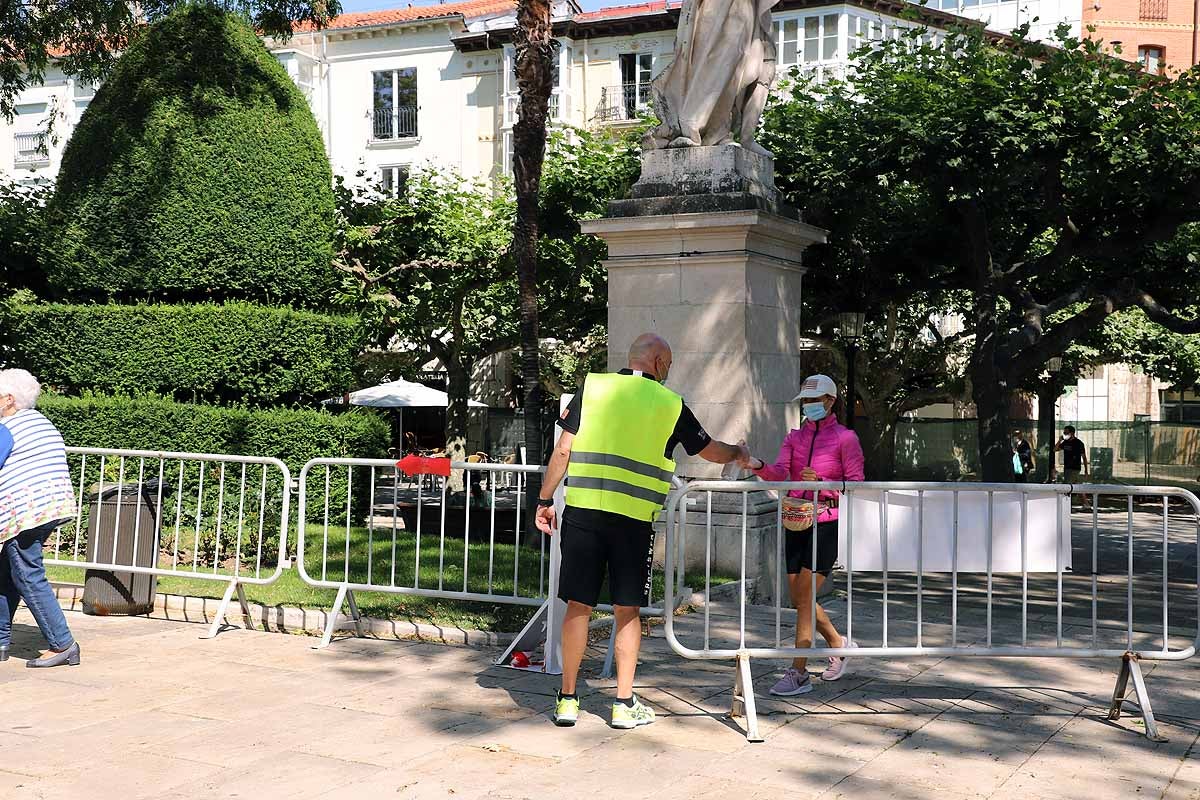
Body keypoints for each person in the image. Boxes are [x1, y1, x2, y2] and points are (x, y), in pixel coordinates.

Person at [535, 333, 748, 730]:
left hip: (583, 513)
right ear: (659, 361)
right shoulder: (670, 405)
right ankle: (623, 704)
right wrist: (738, 453)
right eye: (669, 363)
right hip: (632, 521)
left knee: (578, 605)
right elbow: (708, 450)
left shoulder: (593, 386)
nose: (670, 370)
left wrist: (545, 499)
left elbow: (563, 450)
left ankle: (567, 700)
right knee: (626, 610)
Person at [739, 374, 864, 696]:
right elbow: (781, 473)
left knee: (806, 596)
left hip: (826, 522)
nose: (808, 406)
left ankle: (798, 672)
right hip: (795, 520)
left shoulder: (845, 438)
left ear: (830, 401)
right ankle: (838, 644)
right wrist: (754, 463)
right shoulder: (793, 437)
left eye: (814, 400)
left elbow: (857, 485)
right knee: (799, 599)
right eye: (805, 401)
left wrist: (820, 482)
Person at [0, 369, 81, 667]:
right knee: (7, 573)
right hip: (50, 507)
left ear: (8, 399)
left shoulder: (7, 427)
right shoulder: (40, 422)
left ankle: (63, 644)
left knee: (26, 573)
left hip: (25, 511)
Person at [1056, 425, 1090, 511]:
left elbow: (1084, 457)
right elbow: (1055, 449)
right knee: (1078, 486)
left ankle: (1066, 506)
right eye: (1064, 433)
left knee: (1066, 486)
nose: (1065, 434)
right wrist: (1060, 440)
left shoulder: (1079, 443)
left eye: (1066, 433)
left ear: (1072, 433)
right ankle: (1086, 504)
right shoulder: (1065, 442)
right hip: (1067, 468)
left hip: (1074, 468)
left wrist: (1086, 470)